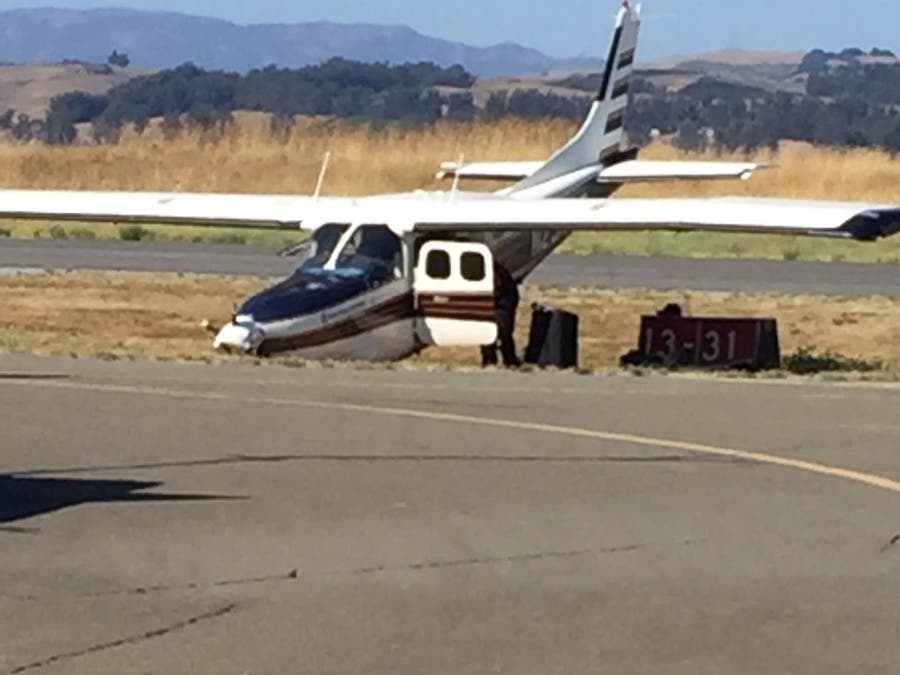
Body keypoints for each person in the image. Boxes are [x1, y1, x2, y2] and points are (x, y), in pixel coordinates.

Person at [481, 263, 521, 368]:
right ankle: (507, 359)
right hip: (504, 304)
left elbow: (496, 290)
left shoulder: (495, 272)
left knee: (499, 333)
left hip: (501, 305)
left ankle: (494, 360)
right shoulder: (501, 271)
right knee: (503, 334)